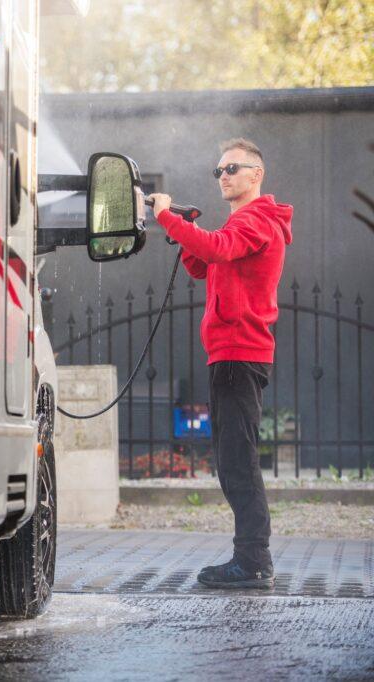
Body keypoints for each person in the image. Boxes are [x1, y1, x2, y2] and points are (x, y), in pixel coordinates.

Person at [149, 138, 293, 589]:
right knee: (232, 459)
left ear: (257, 175)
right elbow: (203, 263)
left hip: (239, 352)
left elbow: (215, 249)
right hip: (229, 353)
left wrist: (168, 219)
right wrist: (185, 232)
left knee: (238, 461)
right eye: (219, 171)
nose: (223, 176)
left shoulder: (259, 219)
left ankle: (253, 561)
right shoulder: (240, 224)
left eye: (232, 168)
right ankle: (250, 557)